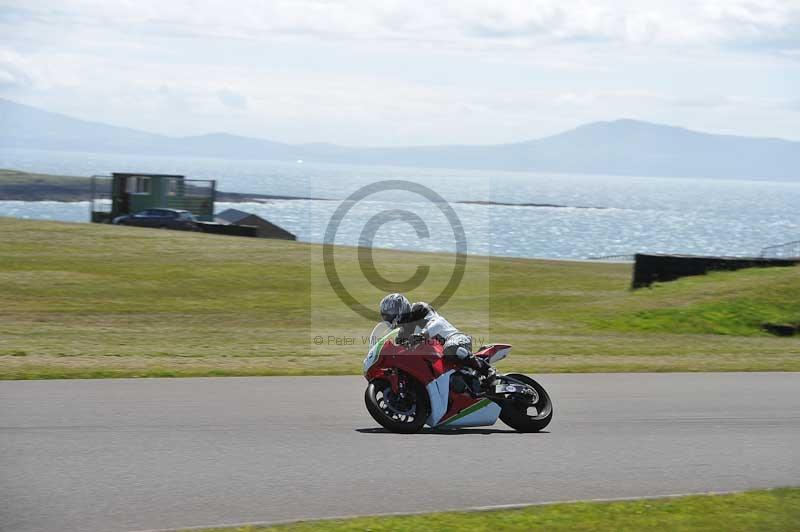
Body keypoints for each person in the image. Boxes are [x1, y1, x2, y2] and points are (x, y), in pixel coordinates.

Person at [378, 293, 493, 388]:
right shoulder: (403, 332)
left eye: (388, 315)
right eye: (385, 317)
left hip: (455, 339)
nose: (387, 319)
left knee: (450, 350)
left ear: (399, 309)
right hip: (437, 354)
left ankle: (487, 369)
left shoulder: (419, 309)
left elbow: (437, 322)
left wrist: (423, 334)